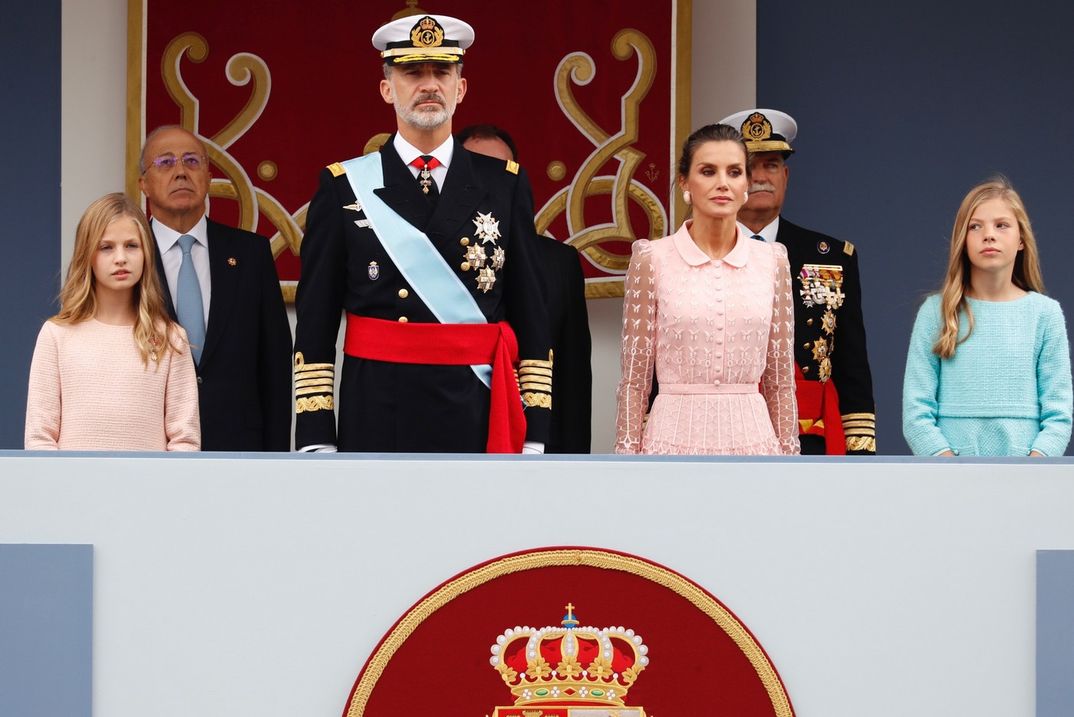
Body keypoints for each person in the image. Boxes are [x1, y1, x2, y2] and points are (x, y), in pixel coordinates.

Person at [293, 14, 551, 453]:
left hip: (477, 407)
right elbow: (316, 321)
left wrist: (535, 429)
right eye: (413, 72)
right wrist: (317, 435)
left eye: (442, 72)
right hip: (376, 408)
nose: (429, 84)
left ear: (460, 88)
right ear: (387, 88)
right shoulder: (342, 185)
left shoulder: (504, 183)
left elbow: (531, 311)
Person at [614, 124, 799, 455]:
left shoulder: (772, 261)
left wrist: (791, 462)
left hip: (755, 447)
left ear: (745, 184)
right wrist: (627, 459)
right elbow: (634, 382)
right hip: (670, 444)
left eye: (734, 172)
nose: (722, 184)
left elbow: (781, 383)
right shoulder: (652, 258)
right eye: (708, 171)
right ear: (685, 181)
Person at [719, 108, 876, 455]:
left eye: (771, 164)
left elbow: (851, 368)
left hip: (810, 440)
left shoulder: (832, 257)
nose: (761, 176)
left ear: (786, 176)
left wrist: (861, 453)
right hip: (723, 435)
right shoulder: (700, 255)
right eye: (748, 166)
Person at [139, 126, 293, 451]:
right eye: (165, 163)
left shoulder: (251, 254)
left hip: (238, 452)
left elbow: (275, 368)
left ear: (209, 177)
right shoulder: (128, 257)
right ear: (144, 183)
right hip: (150, 449)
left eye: (192, 161)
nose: (181, 172)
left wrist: (276, 461)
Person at [903, 178, 1071, 457]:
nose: (988, 235)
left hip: (1027, 481)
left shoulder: (1045, 314)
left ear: (1021, 239)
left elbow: (1059, 415)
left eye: (1001, 225)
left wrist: (1035, 467)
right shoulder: (936, 312)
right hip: (950, 481)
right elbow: (916, 413)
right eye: (975, 226)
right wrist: (948, 466)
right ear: (963, 240)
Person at [25, 193, 200, 450]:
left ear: (146, 254)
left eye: (131, 245)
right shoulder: (56, 335)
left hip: (149, 488)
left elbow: (185, 440)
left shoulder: (172, 338)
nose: (121, 258)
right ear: (88, 255)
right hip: (72, 488)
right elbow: (40, 438)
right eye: (106, 247)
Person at [458, 123, 592, 453]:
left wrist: (570, 463)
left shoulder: (558, 262)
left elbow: (572, 379)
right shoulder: (430, 259)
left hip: (534, 443)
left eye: (501, 171)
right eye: (477, 169)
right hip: (457, 430)